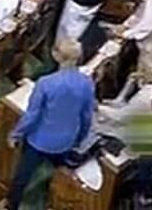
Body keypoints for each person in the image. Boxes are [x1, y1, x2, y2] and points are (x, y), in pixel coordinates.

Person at [6, 39, 95, 210]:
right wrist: (79, 138)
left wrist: (16, 134)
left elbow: (31, 116)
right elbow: (86, 116)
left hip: (40, 140)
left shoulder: (46, 83)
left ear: (56, 55)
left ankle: (12, 205)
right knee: (59, 171)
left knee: (22, 177)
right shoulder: (86, 83)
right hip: (67, 139)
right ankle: (53, 201)